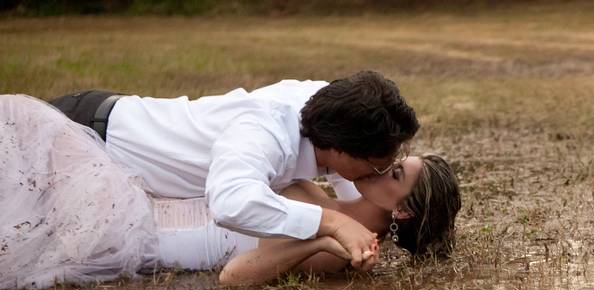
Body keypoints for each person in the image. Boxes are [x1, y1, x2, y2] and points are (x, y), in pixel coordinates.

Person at [0, 95, 461, 290]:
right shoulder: (334, 198)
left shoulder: (342, 247)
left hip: (139, 235)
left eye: (396, 170)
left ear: (400, 210)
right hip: (137, 196)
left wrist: (321, 238)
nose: (384, 160)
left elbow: (235, 277)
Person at [47, 71, 420, 268]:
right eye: (378, 162)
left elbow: (353, 181)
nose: (383, 168)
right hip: (78, 138)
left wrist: (369, 223)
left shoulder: (332, 110)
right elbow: (230, 202)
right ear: (338, 149)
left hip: (106, 154)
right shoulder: (264, 134)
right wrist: (333, 224)